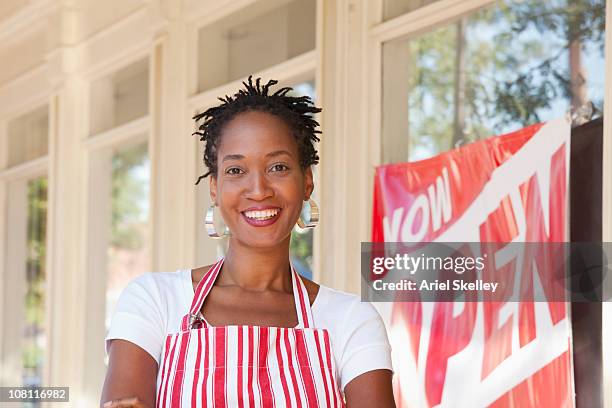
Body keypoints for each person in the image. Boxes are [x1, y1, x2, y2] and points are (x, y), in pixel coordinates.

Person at [101, 77, 395, 407]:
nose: (258, 189)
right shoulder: (155, 301)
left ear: (307, 182)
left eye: (278, 167)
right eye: (236, 170)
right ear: (214, 188)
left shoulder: (351, 320)